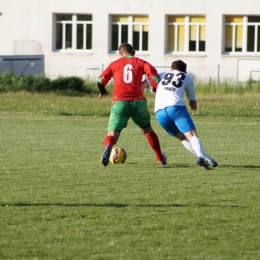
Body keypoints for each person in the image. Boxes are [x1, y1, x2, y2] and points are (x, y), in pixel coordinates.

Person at [97, 43, 167, 166]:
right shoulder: (142, 62)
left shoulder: (114, 64)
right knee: (148, 131)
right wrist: (156, 89)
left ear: (120, 53)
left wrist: (103, 91)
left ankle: (108, 146)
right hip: (138, 102)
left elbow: (99, 81)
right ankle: (160, 159)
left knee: (112, 134)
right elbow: (155, 78)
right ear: (133, 53)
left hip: (119, 102)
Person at [142, 60, 218, 170]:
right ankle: (201, 156)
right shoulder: (187, 77)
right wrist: (194, 107)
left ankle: (206, 158)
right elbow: (192, 103)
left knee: (182, 137)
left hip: (159, 113)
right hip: (176, 108)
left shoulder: (161, 75)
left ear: (171, 68)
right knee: (191, 135)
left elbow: (143, 84)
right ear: (185, 71)